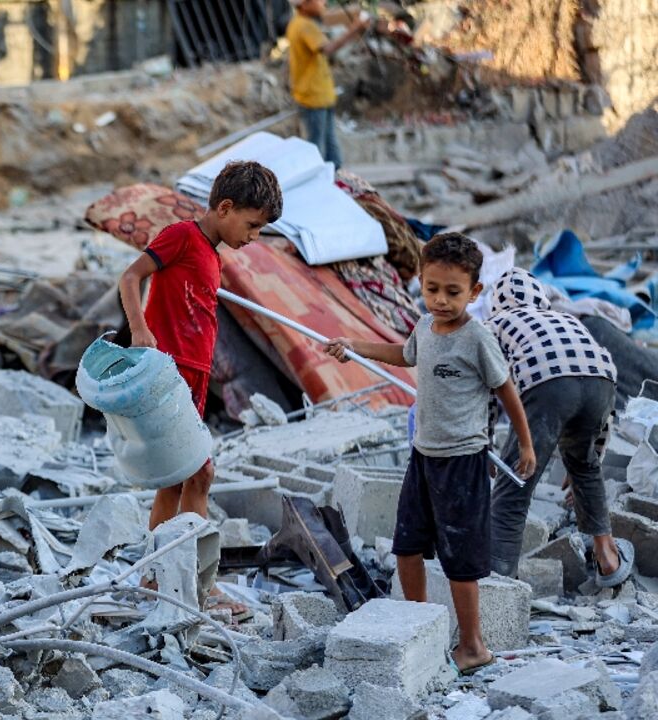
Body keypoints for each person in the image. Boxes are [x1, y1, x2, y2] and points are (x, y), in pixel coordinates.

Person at [325, 233, 537, 675]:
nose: (440, 300)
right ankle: (419, 626)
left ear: (475, 292)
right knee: (406, 545)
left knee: (460, 560)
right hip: (423, 456)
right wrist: (354, 346)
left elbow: (506, 390)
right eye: (431, 289)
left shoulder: (477, 338)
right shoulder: (424, 326)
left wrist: (526, 444)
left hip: (463, 461)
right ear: (420, 283)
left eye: (453, 292)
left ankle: (474, 644)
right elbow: (403, 354)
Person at [119, 160, 283, 532]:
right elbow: (130, 277)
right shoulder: (182, 236)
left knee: (187, 477)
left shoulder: (212, 255)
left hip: (196, 374)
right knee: (196, 473)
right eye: (253, 225)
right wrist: (139, 329)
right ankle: (180, 570)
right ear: (225, 208)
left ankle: (172, 572)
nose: (255, 236)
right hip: (171, 372)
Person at [486, 268, 632, 586]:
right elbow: (601, 410)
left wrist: (483, 442)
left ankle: (497, 580)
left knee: (516, 480)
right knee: (586, 468)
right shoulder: (568, 319)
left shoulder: (494, 324)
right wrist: (591, 451)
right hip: (603, 383)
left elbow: (486, 386)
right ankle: (607, 556)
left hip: (548, 385)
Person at [286, 0, 371, 167]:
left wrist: (355, 31)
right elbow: (328, 49)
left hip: (320, 95)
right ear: (304, 5)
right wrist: (354, 28)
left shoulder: (301, 24)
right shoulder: (304, 26)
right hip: (313, 96)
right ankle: (322, 183)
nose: (323, 3)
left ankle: (336, 177)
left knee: (329, 143)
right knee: (316, 147)